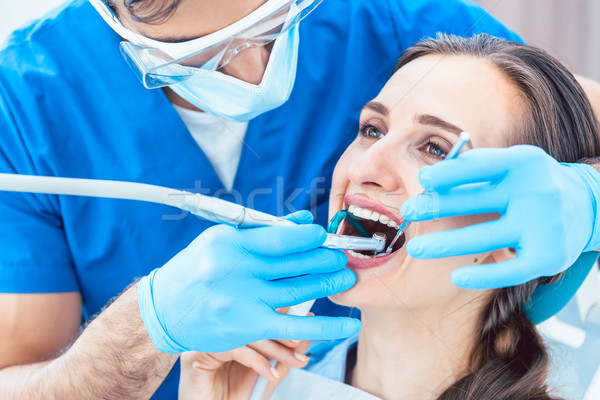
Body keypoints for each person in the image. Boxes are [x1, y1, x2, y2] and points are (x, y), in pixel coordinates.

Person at [0, 0, 598, 399]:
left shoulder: (390, 17)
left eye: (274, 24)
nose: (256, 70)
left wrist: (588, 196)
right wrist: (146, 328)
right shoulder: (31, 97)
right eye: (368, 129)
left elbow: (559, 122)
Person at [179, 33, 600, 400]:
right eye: (372, 130)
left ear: (511, 236)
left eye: (435, 147)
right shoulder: (255, 386)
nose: (363, 169)